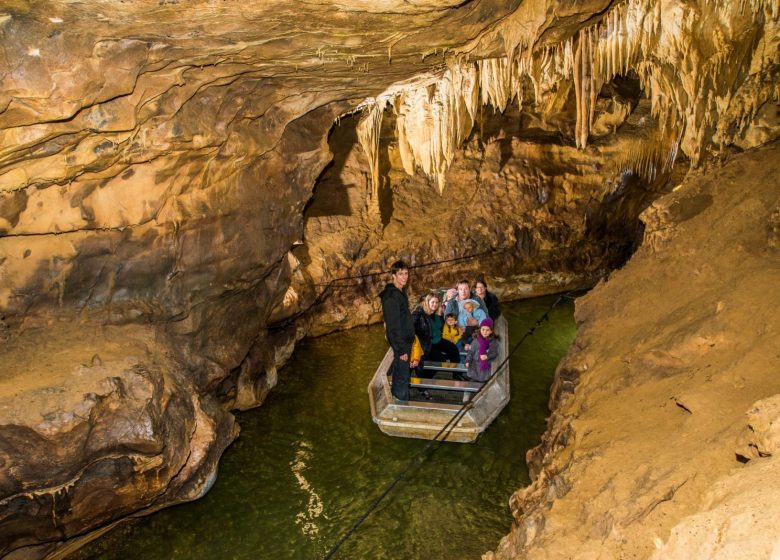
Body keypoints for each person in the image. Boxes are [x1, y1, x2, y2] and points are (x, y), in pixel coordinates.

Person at [379, 260, 415, 401]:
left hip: (406, 341)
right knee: (402, 376)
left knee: (401, 373)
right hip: (402, 344)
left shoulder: (400, 293)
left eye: (406, 273)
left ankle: (398, 398)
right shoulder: (391, 296)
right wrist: (400, 350)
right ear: (393, 275)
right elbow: (392, 326)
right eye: (400, 274)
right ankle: (401, 404)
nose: (404, 277)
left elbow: (403, 319)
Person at [464, 318, 501, 382]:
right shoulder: (476, 341)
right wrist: (467, 361)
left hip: (485, 368)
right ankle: (469, 391)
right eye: (483, 329)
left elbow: (495, 353)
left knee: (483, 382)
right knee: (472, 382)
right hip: (474, 366)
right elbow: (471, 352)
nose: (485, 332)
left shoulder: (493, 342)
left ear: (491, 331)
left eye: (487, 330)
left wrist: (487, 356)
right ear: (480, 329)